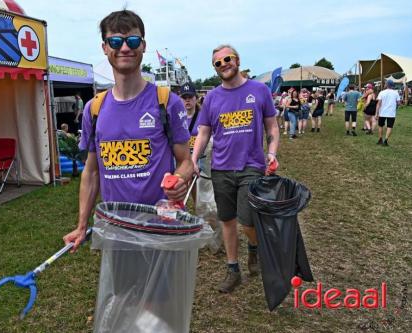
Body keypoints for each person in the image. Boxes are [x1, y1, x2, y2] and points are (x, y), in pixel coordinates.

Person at [62, 10, 193, 327]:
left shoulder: (166, 101)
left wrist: (180, 180)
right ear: (104, 48)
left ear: (143, 45)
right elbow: (91, 172)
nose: (125, 47)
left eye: (132, 39)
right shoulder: (95, 108)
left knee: (156, 303)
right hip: (118, 230)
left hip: (158, 227)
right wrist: (81, 226)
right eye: (116, 41)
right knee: (125, 297)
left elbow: (186, 161)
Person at [191, 44, 279, 293]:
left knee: (248, 220)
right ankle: (233, 270)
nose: (223, 64)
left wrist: (271, 154)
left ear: (237, 60)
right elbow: (204, 131)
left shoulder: (259, 90)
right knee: (227, 220)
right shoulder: (212, 97)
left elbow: (272, 127)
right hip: (221, 168)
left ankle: (254, 247)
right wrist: (195, 158)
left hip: (252, 165)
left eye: (227, 59)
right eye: (217, 63)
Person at [179, 82, 200, 204]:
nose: (187, 101)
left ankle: (199, 207)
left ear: (196, 98)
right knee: (182, 184)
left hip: (200, 157)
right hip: (183, 156)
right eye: (184, 97)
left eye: (190, 97)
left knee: (198, 186)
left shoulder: (203, 116)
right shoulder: (176, 118)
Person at [376, 79, 401, 146]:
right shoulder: (396, 93)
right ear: (392, 85)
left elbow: (378, 104)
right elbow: (399, 103)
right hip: (391, 113)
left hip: (382, 112)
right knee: (389, 126)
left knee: (380, 126)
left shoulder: (381, 92)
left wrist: (376, 113)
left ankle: (380, 139)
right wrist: (397, 105)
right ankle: (386, 140)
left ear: (387, 85)